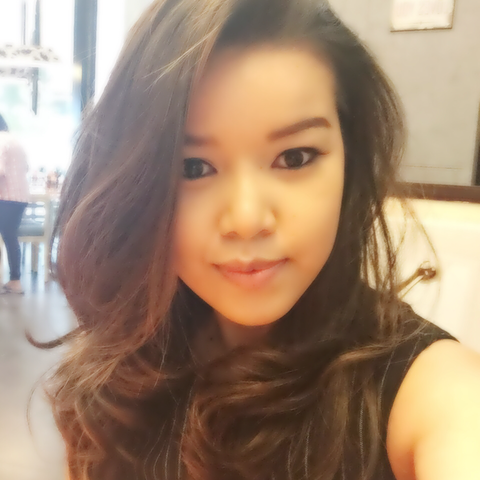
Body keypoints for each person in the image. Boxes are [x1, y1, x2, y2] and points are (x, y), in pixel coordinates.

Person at [42, 1, 480, 479]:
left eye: (294, 157)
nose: (247, 220)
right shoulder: (120, 372)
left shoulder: (430, 391)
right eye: (193, 167)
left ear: (349, 161)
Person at [0, 113, 29, 294]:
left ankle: (15, 281)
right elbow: (26, 168)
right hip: (20, 196)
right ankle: (15, 280)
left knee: (9, 237)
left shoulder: (1, 141)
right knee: (11, 237)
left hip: (6, 197)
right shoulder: (16, 141)